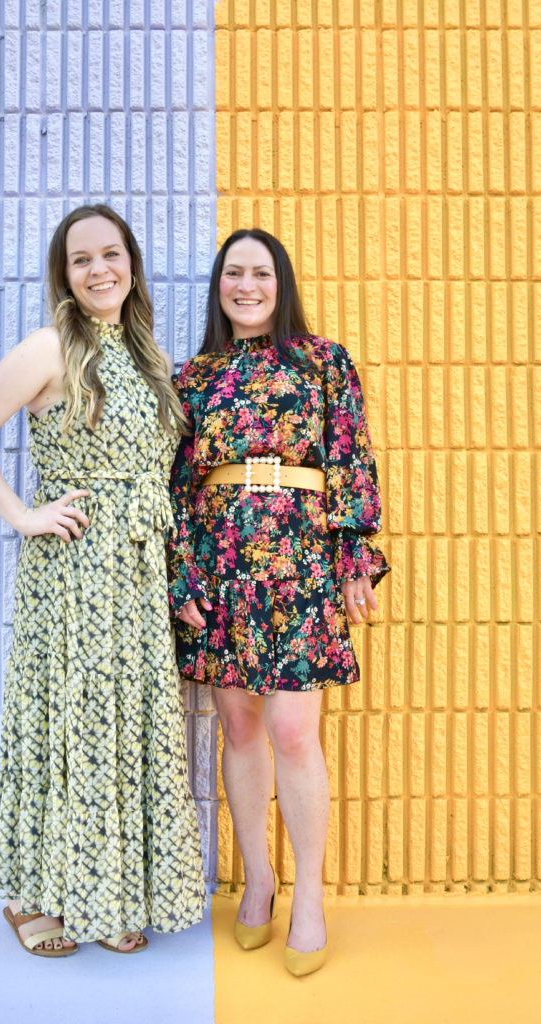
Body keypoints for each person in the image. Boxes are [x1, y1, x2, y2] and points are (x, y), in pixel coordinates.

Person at [0, 204, 206, 957]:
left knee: (125, 730)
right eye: (81, 258)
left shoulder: (144, 354)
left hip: (136, 573)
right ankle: (31, 899)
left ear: (131, 264)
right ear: (64, 274)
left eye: (111, 254)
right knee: (68, 723)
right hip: (76, 573)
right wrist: (22, 514)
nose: (99, 269)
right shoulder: (47, 346)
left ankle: (107, 891)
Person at [169, 228, 389, 976]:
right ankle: (257, 877)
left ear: (280, 281)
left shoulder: (322, 361)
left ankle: (308, 895)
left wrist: (354, 552)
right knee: (236, 722)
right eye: (233, 273)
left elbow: (351, 456)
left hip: (297, 556)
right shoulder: (192, 377)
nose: (247, 285)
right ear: (218, 285)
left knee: (293, 730)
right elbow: (175, 486)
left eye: (260, 272)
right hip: (223, 556)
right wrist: (182, 573)